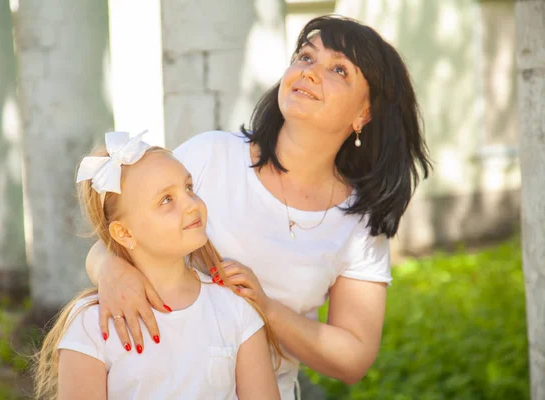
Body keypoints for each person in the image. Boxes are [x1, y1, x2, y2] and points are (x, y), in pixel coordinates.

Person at [86, 15, 431, 399]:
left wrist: (264, 306)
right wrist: (110, 270)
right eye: (305, 57)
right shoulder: (210, 155)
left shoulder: (358, 221)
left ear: (363, 114)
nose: (310, 72)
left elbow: (352, 357)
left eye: (338, 69)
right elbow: (117, 236)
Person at [33, 131, 281, 400]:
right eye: (166, 200)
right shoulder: (92, 324)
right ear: (124, 234)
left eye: (189, 188)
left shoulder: (235, 307)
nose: (191, 204)